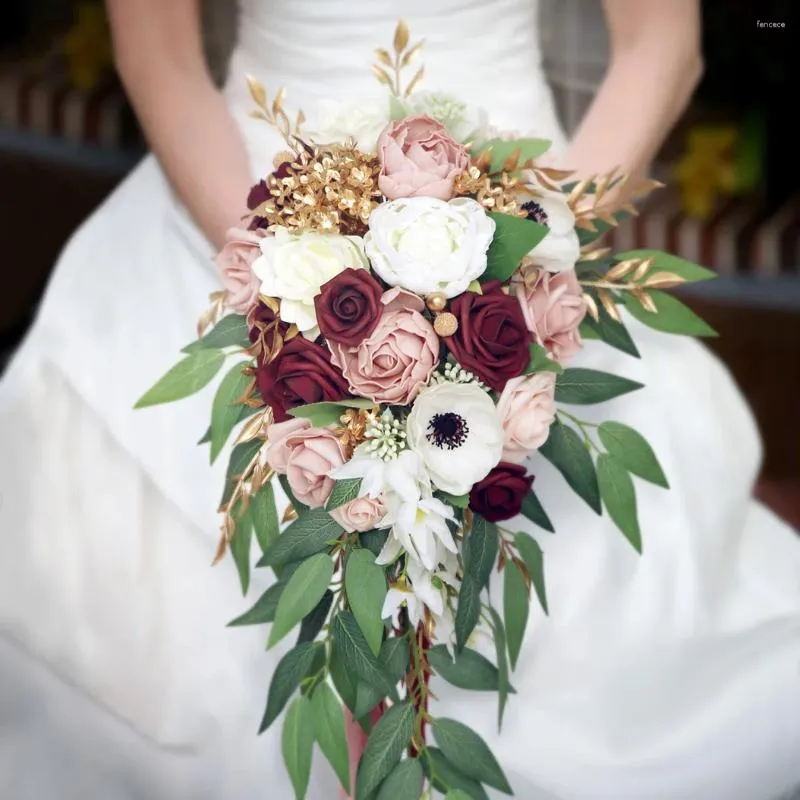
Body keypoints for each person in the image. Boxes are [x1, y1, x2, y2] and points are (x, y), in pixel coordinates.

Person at [0, 1, 798, 798]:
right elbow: (160, 60)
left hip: (520, 216)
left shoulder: (524, 257)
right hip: (239, 202)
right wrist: (292, 293)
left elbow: (662, 46)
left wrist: (529, 259)